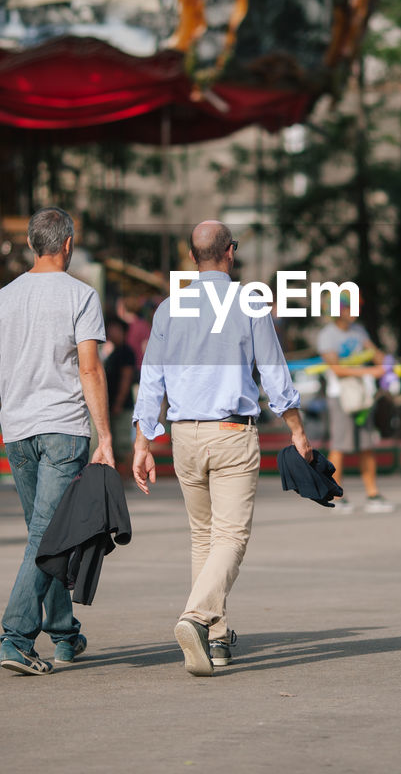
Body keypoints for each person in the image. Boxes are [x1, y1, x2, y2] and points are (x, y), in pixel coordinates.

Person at [132, 219, 312, 677]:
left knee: (204, 538)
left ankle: (216, 637)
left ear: (192, 257)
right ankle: (194, 618)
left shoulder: (169, 308)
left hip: (183, 437)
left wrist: (142, 441)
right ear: (230, 252)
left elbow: (152, 379)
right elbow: (273, 371)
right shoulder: (248, 303)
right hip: (232, 433)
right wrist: (296, 429)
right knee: (231, 537)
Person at [0, 207, 115, 676]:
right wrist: (105, 438)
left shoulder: (3, 297)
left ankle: (63, 632)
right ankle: (16, 638)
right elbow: (90, 368)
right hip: (63, 431)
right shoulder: (81, 295)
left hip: (16, 432)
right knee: (47, 537)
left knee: (48, 536)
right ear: (68, 244)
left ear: (34, 245)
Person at [317, 301, 393, 512]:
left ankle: (373, 494)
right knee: (340, 445)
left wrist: (387, 364)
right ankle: (336, 495)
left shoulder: (359, 331)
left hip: (362, 395)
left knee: (367, 445)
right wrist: (371, 372)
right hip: (341, 395)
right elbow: (337, 369)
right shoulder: (327, 335)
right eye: (350, 308)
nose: (354, 313)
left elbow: (376, 354)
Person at [103, 316, 136, 477]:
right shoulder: (113, 352)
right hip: (112, 405)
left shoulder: (126, 352)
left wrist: (118, 402)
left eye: (113, 328)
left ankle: (128, 476)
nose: (110, 332)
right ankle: (118, 477)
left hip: (122, 406)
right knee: (115, 443)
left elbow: (126, 378)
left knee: (123, 443)